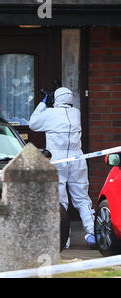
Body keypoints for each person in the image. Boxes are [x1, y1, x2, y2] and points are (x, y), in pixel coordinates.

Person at [29, 87, 96, 248]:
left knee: (59, 199)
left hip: (57, 158)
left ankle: (63, 239)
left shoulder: (50, 113)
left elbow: (33, 123)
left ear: (56, 100)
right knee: (81, 197)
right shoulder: (76, 113)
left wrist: (43, 103)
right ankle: (93, 232)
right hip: (77, 157)